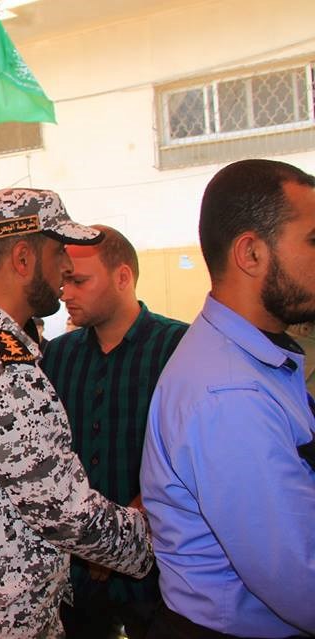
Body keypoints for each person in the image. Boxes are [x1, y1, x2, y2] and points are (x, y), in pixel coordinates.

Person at [0, 188, 153, 638]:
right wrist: (156, 534)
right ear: (23, 259)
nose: (66, 266)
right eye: (59, 251)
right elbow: (62, 510)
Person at [142, 159, 315, 638]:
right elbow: (300, 581)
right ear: (251, 253)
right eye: (313, 240)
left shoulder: (247, 359)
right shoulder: (230, 394)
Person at [42, 226, 187, 638]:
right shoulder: (58, 356)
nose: (65, 293)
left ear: (123, 277)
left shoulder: (178, 348)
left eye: (79, 281)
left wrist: (123, 533)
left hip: (158, 571)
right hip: (75, 572)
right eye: (64, 280)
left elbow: (188, 459)